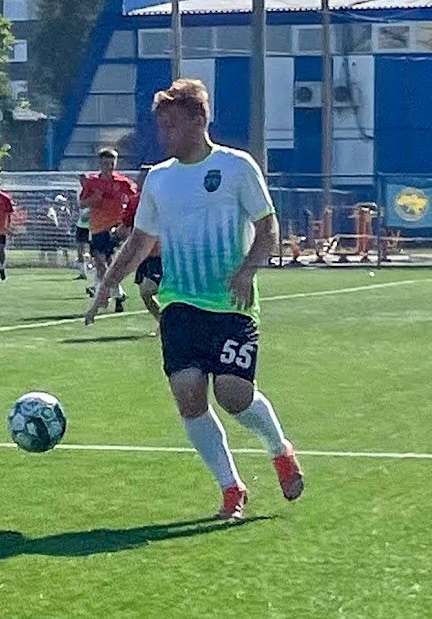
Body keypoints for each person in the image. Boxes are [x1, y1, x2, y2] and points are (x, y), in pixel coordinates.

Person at [85, 79, 303, 520]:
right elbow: (141, 240)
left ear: (199, 120)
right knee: (189, 395)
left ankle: (279, 450)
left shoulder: (237, 167)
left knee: (234, 394)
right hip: (179, 302)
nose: (163, 133)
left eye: (171, 124)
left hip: (230, 303)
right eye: (160, 125)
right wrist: (108, 283)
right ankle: (231, 488)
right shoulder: (160, 179)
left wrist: (247, 270)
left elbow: (267, 227)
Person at [80, 148, 136, 313]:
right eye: (105, 163)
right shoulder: (92, 182)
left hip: (115, 227)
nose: (109, 166)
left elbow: (135, 198)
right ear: (100, 164)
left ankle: (113, 294)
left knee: (109, 262)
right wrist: (93, 199)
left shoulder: (122, 182)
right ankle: (118, 294)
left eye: (112, 163)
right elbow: (82, 203)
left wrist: (128, 215)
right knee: (100, 263)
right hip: (97, 227)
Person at [116, 164, 161, 334]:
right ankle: (163, 322)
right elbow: (127, 225)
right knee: (145, 293)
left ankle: (171, 323)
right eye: (142, 177)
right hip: (145, 255)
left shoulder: (164, 198)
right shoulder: (135, 201)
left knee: (153, 290)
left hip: (164, 253)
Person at [74, 173, 91, 280]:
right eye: (80, 180)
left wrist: (88, 214)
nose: (81, 182)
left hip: (91, 225)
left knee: (95, 251)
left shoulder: (92, 191)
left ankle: (93, 268)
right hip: (81, 225)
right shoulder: (80, 193)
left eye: (83, 180)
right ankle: (83, 272)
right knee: (79, 249)